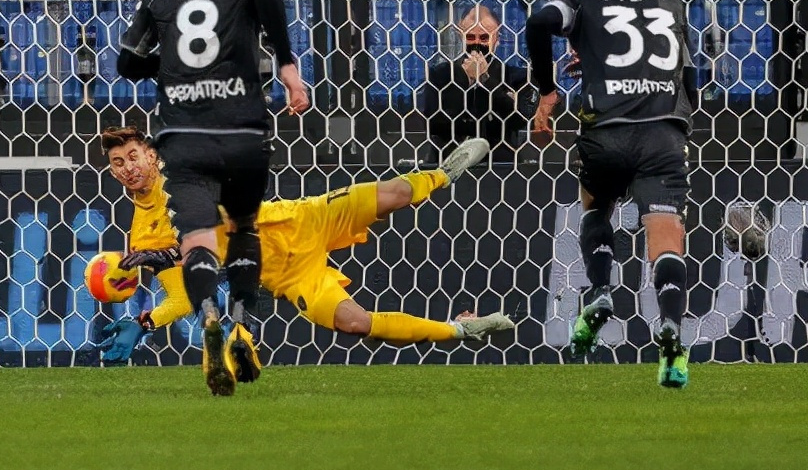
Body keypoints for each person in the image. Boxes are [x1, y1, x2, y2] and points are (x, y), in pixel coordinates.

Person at [93, 126, 513, 366]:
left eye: (134, 155)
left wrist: (165, 254)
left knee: (395, 195)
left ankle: (443, 173)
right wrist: (145, 323)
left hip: (300, 218)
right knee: (355, 323)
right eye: (118, 163)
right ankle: (462, 329)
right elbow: (183, 297)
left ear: (152, 155)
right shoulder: (142, 235)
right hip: (284, 273)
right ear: (111, 172)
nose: (129, 168)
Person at [117, 0, 310, 396]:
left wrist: (171, 68)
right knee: (243, 229)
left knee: (196, 241)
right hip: (242, 131)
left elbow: (125, 62)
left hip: (184, 136)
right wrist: (289, 73)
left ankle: (209, 317)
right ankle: (242, 325)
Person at [526, 0, 696, 389]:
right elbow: (689, 75)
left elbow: (540, 22)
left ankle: (601, 291)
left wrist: (546, 91)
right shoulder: (672, 6)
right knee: (665, 230)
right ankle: (672, 331)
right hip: (662, 134)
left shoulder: (583, 3)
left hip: (605, 133)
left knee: (596, 204)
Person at [419, 5, 529, 157]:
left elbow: (519, 121)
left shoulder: (514, 76)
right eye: (470, 37)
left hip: (501, 166)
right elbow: (432, 125)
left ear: (497, 38)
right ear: (460, 36)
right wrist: (465, 81)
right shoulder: (439, 75)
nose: (476, 44)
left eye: (484, 37)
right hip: (447, 162)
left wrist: (485, 79)